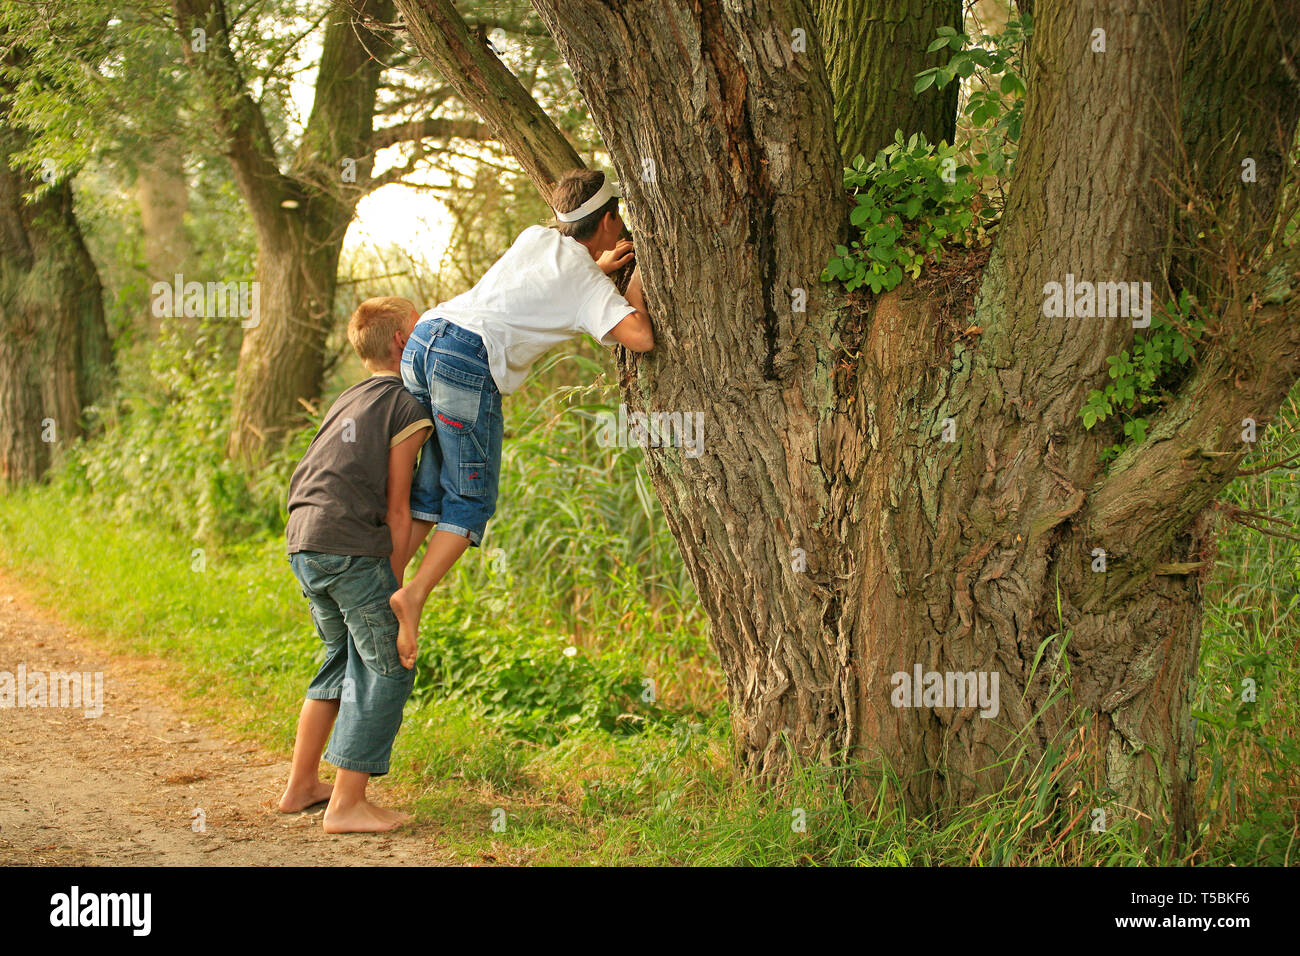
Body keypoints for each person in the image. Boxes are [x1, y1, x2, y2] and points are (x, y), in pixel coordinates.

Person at [388, 169, 655, 662]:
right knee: (469, 498)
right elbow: (641, 336)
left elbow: (546, 284)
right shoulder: (586, 284)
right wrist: (636, 277)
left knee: (428, 485)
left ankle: (383, 581)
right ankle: (412, 597)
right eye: (617, 221)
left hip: (427, 337)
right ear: (608, 219)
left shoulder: (535, 237)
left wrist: (597, 268)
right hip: (469, 359)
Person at [279, 296, 431, 833]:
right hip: (348, 546)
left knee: (340, 656)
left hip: (303, 540)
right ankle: (346, 805)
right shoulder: (405, 406)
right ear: (401, 343)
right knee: (386, 663)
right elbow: (396, 506)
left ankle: (301, 787)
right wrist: (393, 588)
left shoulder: (350, 396)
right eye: (421, 330)